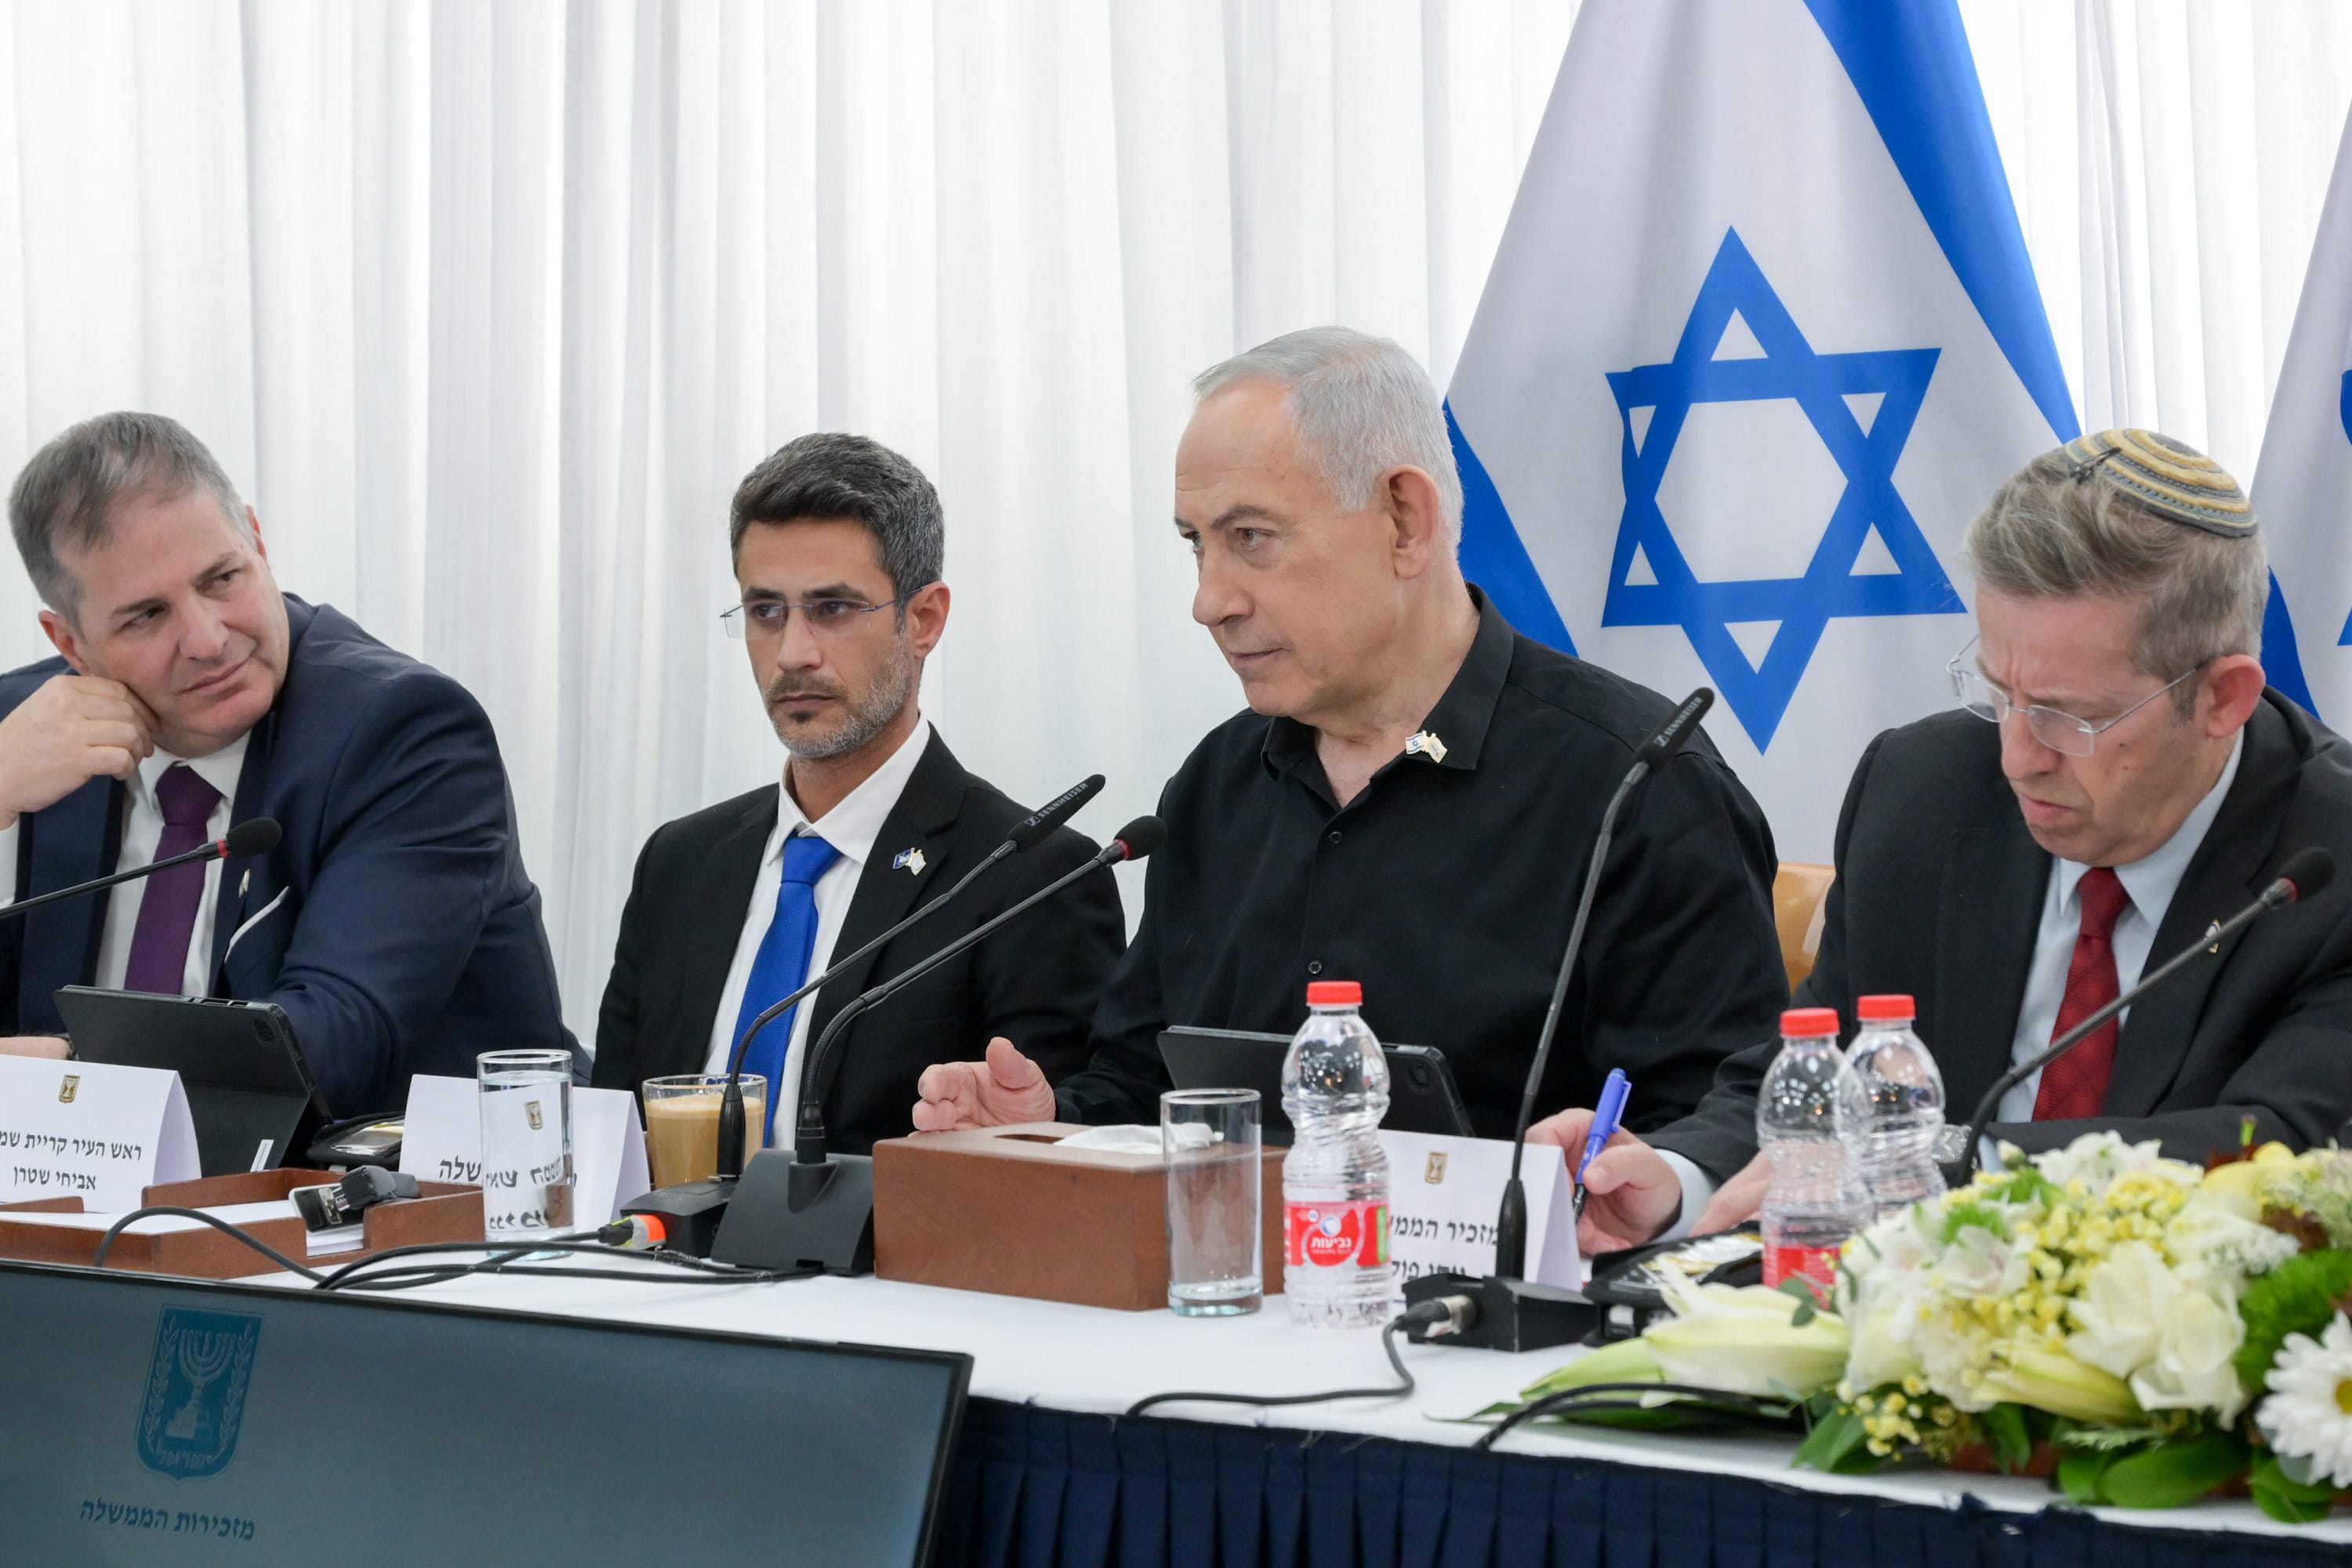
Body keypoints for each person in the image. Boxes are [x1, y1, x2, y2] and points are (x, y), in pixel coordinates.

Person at [911, 326, 1788, 1145]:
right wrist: (1046, 1119)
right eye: (1196, 546)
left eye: (1251, 538)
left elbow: (1728, 1119)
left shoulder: (1635, 783)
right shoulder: (1216, 786)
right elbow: (1146, 1082)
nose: (1209, 600)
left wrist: (1628, 1175)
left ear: (1406, 519)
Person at [1538, 430, 2352, 1252]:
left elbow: (2283, 1151)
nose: (2018, 756)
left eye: (2071, 716)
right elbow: (1824, 1061)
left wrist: (1943, 1158)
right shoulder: (1923, 790)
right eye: (1999, 692)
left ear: (2223, 698)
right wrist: (1679, 1182)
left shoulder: (2334, 858)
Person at [0, 412, 575, 1114]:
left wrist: (65, 1072)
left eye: (221, 578)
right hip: (78, 1208)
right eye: (147, 616)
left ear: (258, 542)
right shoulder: (25, 736)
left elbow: (330, 1048)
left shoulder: (405, 732)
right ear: (70, 642)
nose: (209, 640)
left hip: (403, 1202)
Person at [590, 434, 1123, 1155]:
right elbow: (611, 1136)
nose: (793, 652)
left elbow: (1046, 1162)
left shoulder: (1027, 876)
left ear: (925, 620)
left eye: (834, 608)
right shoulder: (680, 863)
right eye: (765, 611)